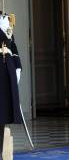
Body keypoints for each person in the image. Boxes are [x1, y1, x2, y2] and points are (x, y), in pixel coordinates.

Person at [0, 12, 22, 160]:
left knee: (2, 114)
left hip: (5, 68)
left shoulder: (6, 19)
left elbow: (12, 45)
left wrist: (17, 66)